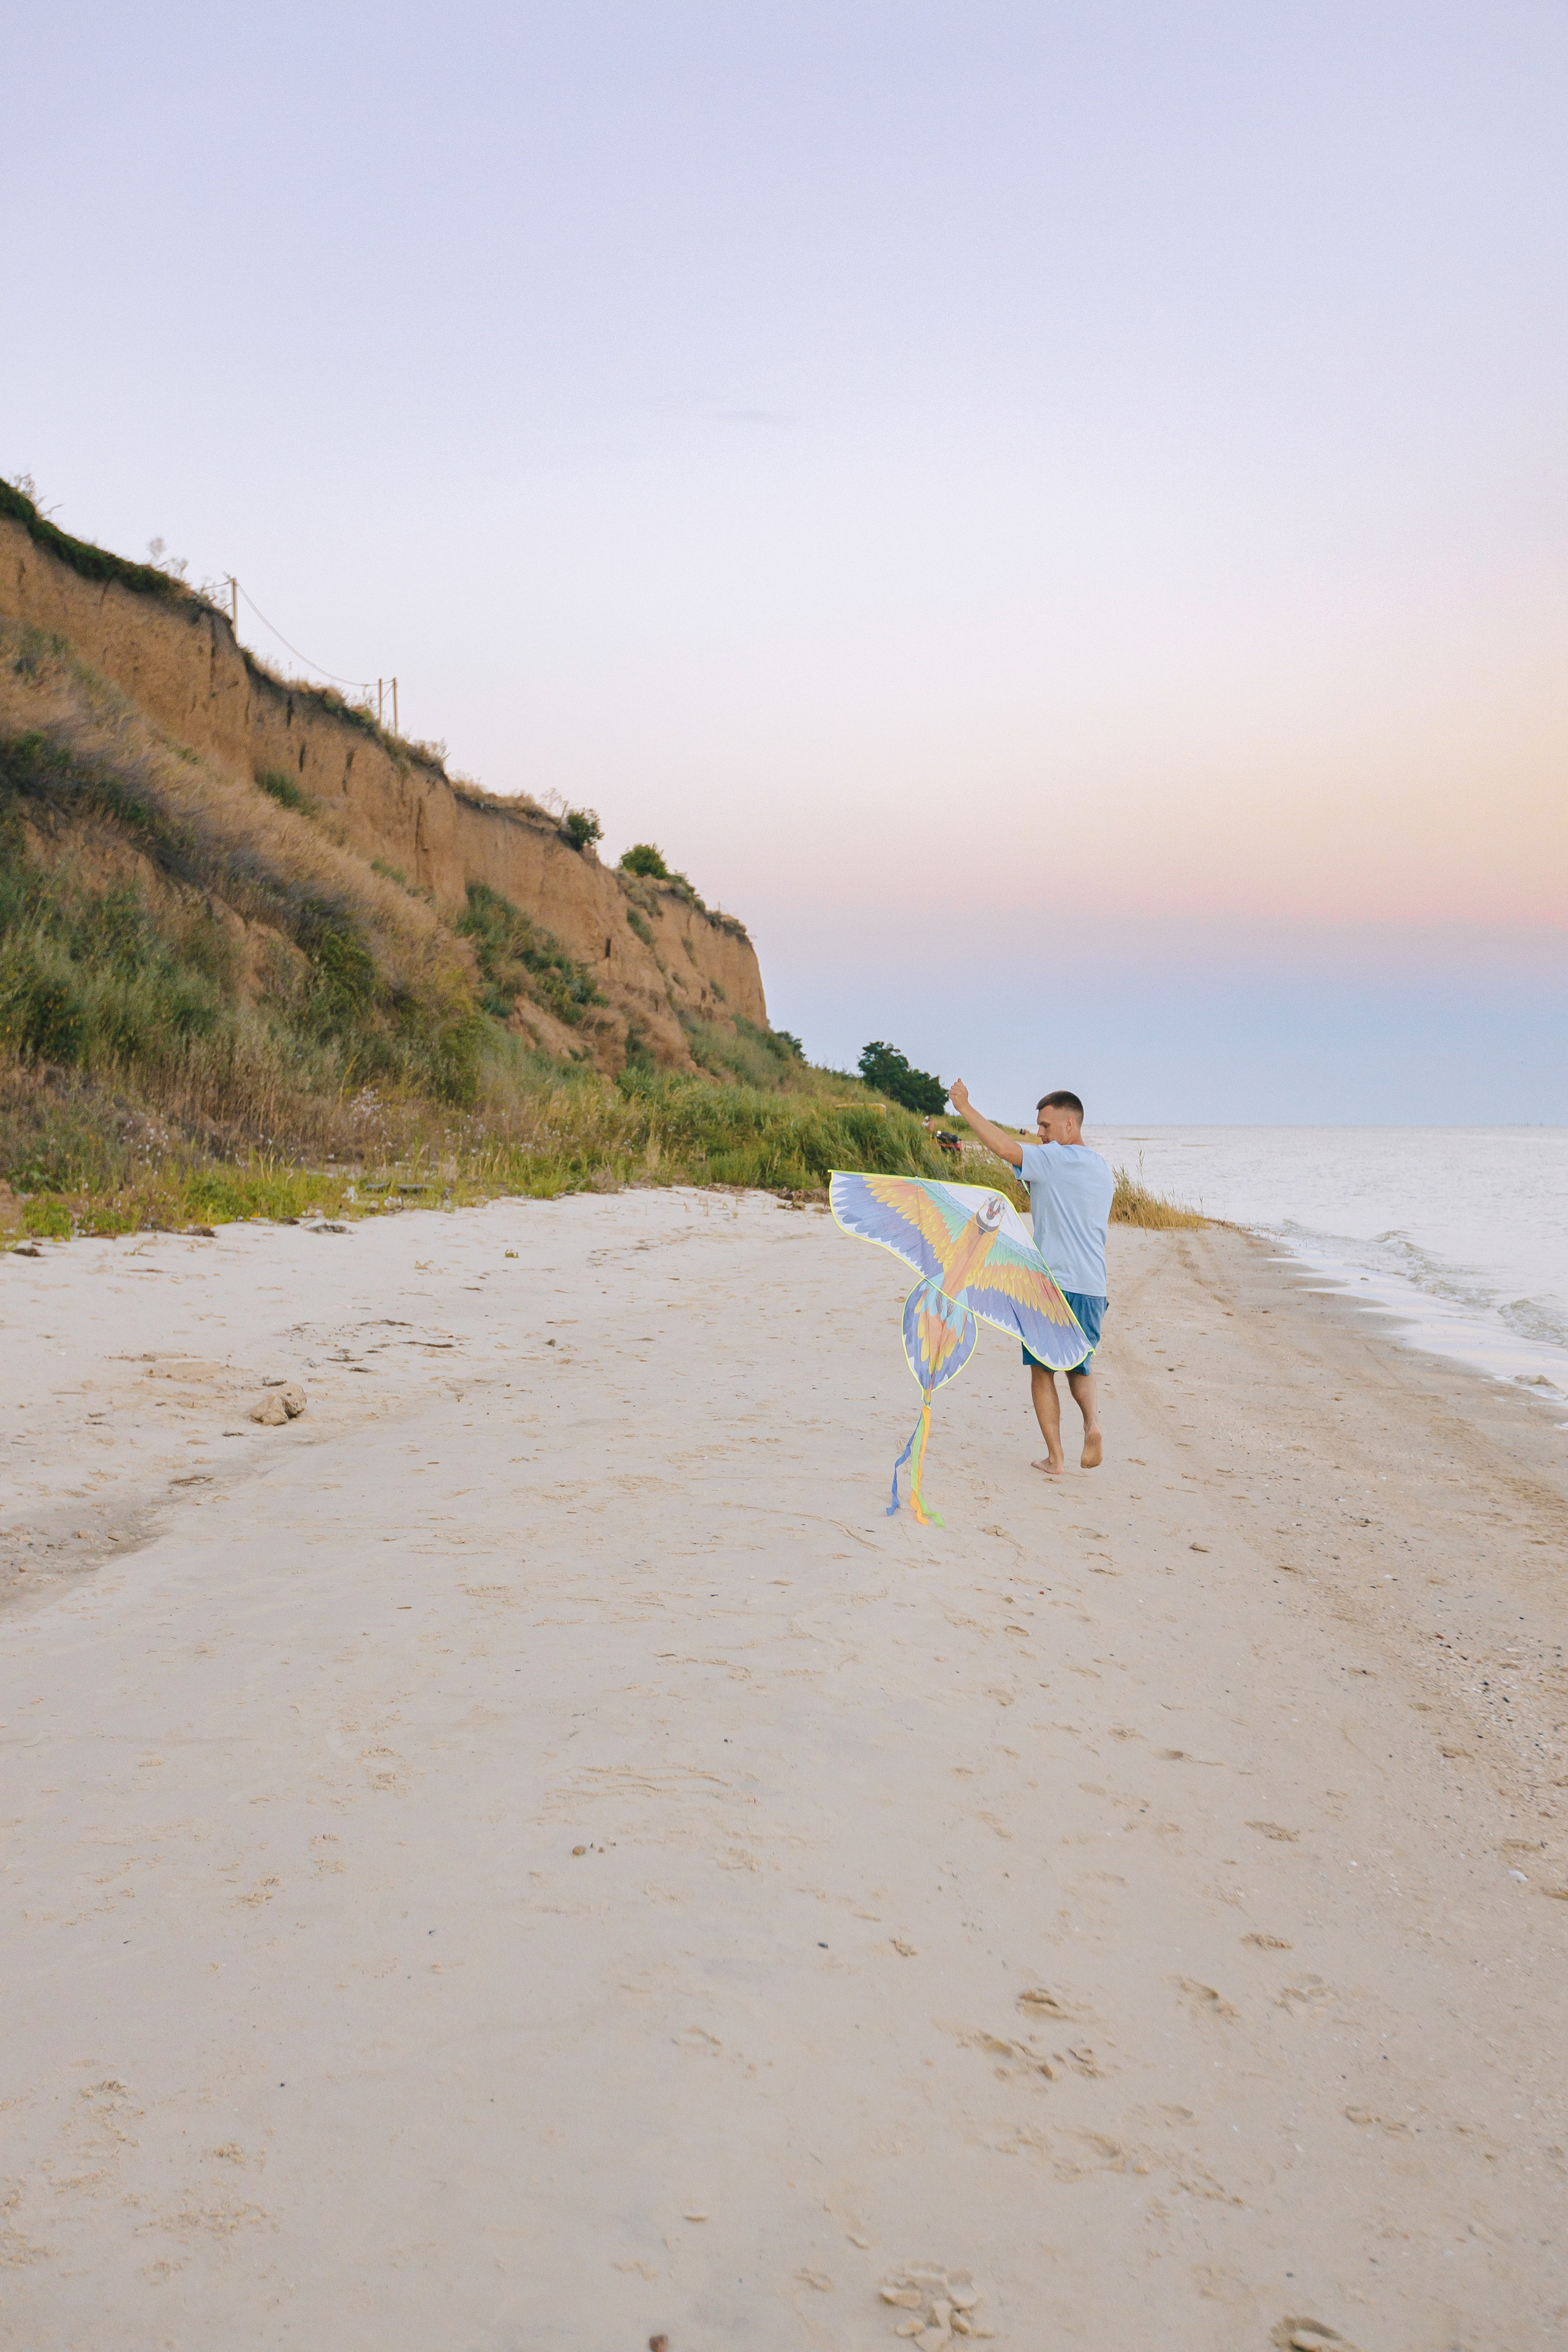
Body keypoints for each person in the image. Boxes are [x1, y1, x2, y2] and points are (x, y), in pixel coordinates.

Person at [947, 1080, 1114, 1476]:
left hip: (1051, 1285)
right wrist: (1035, 1146)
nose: (1041, 1134)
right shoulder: (1101, 1168)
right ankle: (1092, 1424)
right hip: (1092, 1287)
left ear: (1069, 1125)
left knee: (1042, 1371)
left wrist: (965, 1107)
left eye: (1046, 1126)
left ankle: (1055, 1458)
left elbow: (1004, 1149)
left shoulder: (1054, 1160)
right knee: (1079, 1365)